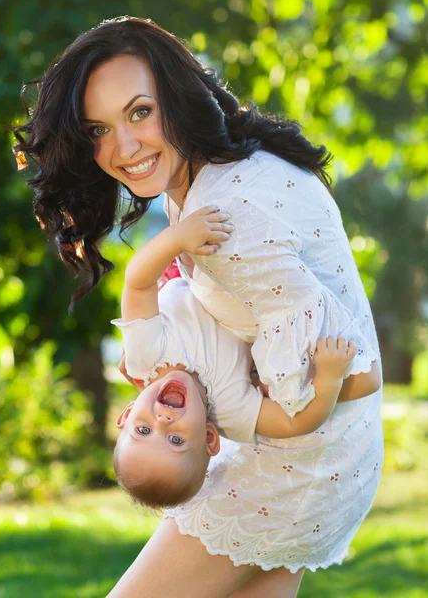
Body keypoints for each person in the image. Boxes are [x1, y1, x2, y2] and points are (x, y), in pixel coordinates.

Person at [14, 16, 383, 598]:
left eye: (139, 112)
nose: (124, 147)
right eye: (97, 130)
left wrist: (245, 394)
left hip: (296, 465)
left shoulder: (227, 222)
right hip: (326, 458)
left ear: (179, 98)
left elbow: (362, 374)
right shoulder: (210, 175)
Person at [113, 204, 374, 509]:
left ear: (128, 414)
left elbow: (137, 282)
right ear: (210, 438)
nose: (163, 420)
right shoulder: (230, 410)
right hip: (249, 286)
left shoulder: (144, 356)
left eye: (143, 430)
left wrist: (176, 238)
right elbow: (295, 423)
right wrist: (327, 378)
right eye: (176, 440)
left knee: (197, 208)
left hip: (186, 264)